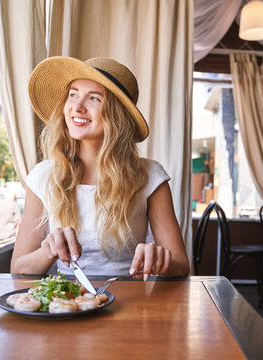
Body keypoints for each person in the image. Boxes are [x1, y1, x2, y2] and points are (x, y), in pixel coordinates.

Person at [10, 56, 189, 280]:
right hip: (65, 304)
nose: (77, 106)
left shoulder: (149, 177)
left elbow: (181, 265)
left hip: (130, 304)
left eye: (94, 98)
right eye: (73, 94)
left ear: (117, 116)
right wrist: (48, 252)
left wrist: (161, 260)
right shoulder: (43, 176)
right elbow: (18, 268)